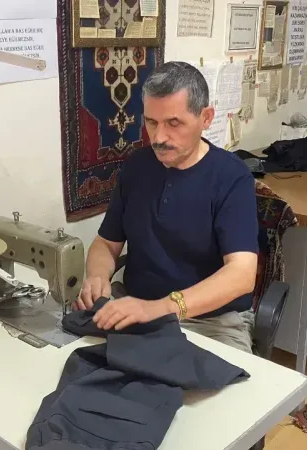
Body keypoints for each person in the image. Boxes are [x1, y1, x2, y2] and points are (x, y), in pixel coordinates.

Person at [74, 61, 259, 353]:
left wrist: (161, 308)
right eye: (151, 122)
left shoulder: (232, 177)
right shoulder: (136, 167)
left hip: (210, 321)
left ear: (206, 117)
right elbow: (106, 244)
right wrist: (97, 276)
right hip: (136, 308)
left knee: (218, 381)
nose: (159, 138)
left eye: (174, 123)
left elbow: (241, 275)